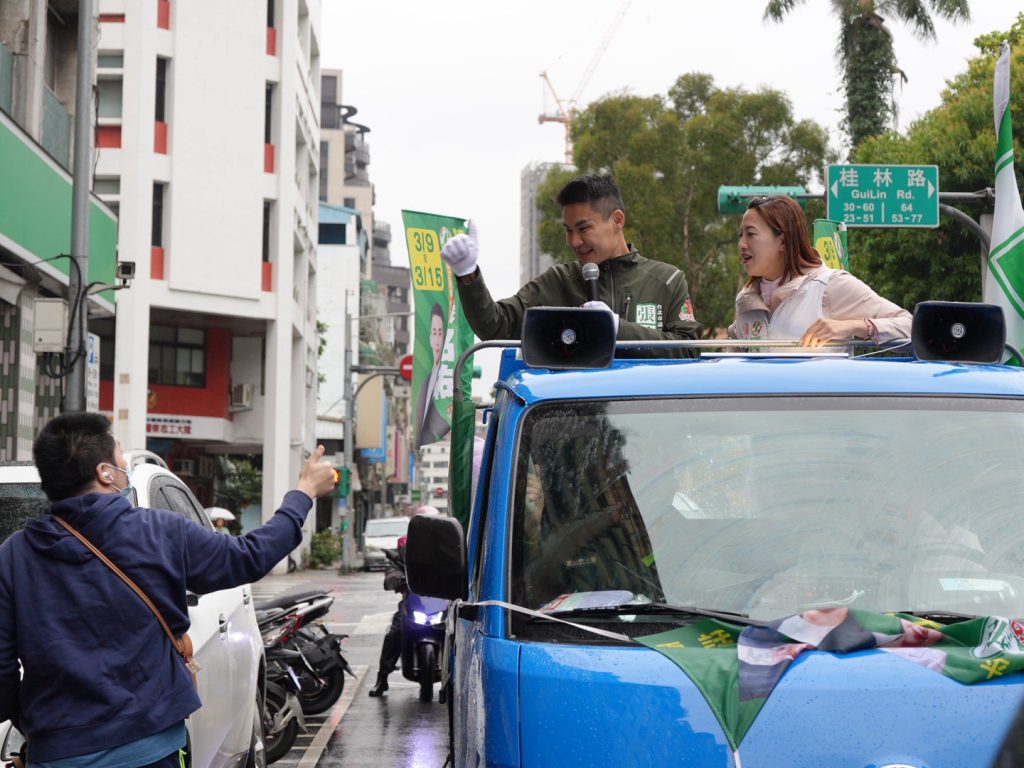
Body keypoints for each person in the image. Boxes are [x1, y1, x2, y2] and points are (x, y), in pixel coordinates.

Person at [0, 412, 336, 768]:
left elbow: (3, 672)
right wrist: (303, 493)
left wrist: (40, 725)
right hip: (153, 747)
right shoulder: (160, 532)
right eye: (120, 456)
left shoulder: (13, 557)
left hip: (58, 753)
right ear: (105, 473)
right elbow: (249, 557)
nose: (125, 462)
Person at [441, 174, 701, 358]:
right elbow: (495, 326)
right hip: (575, 427)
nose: (575, 241)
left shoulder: (667, 280)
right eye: (568, 231)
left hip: (648, 424)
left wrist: (618, 328)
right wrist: (468, 275)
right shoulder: (558, 281)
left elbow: (689, 349)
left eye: (584, 228)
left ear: (617, 220)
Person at [729, 195, 912, 346]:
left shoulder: (829, 286)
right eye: (740, 235)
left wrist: (852, 326)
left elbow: (910, 325)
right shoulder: (746, 300)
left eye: (751, 234)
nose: (742, 244)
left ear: (783, 241)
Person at [368, 535, 408, 697]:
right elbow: (391, 576)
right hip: (410, 604)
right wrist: (396, 580)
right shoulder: (396, 561)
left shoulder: (432, 557)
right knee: (394, 633)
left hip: (435, 604)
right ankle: (382, 677)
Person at [414, 302, 450, 446]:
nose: (436, 340)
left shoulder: (448, 378)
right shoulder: (425, 383)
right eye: (434, 333)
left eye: (440, 333)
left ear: (445, 337)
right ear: (429, 337)